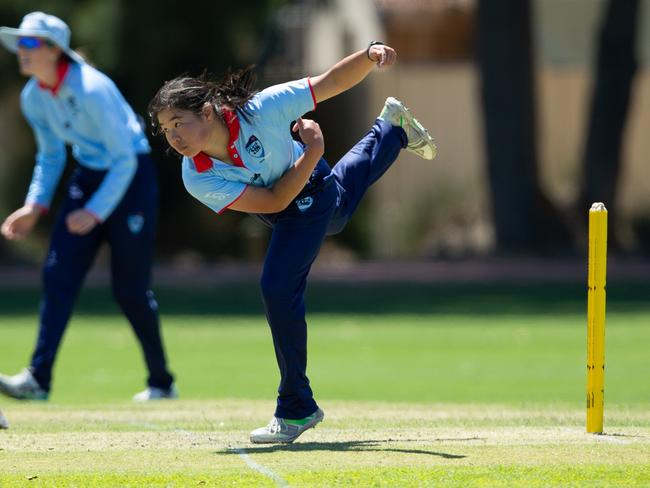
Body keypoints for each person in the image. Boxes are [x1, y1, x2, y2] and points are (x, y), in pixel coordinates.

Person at [148, 41, 436, 443]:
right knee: (336, 214)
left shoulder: (263, 108)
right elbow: (271, 201)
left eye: (178, 122)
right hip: (286, 199)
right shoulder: (195, 175)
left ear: (207, 110)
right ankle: (391, 130)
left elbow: (329, 82)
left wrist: (369, 55)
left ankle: (296, 407)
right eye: (165, 129)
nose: (173, 136)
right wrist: (313, 149)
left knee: (278, 284)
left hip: (307, 189)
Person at [0, 12, 176, 402]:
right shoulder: (34, 97)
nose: (21, 52)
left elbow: (125, 159)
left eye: (30, 44)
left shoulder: (93, 89)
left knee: (130, 290)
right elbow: (50, 155)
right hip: (91, 175)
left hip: (132, 177)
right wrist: (35, 205)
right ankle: (38, 379)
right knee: (58, 273)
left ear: (53, 51)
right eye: (20, 44)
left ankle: (162, 382)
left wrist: (95, 211)